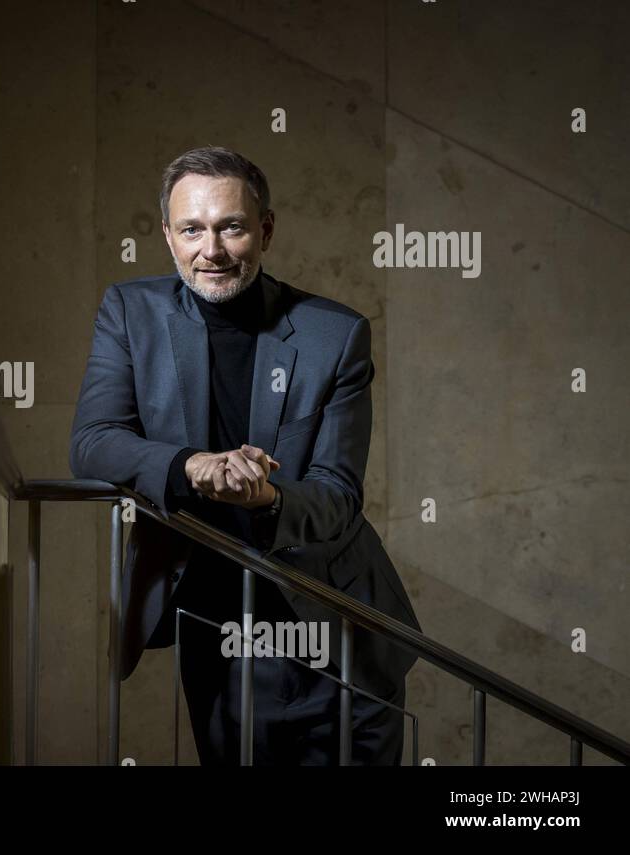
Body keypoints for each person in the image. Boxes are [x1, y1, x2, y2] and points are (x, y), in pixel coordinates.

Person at [69, 146, 421, 765]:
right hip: (217, 628)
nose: (213, 250)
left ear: (265, 229)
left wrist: (269, 498)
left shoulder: (335, 334)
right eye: (192, 229)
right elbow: (93, 442)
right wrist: (190, 466)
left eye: (231, 226)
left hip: (336, 629)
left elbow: (338, 495)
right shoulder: (130, 313)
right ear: (167, 236)